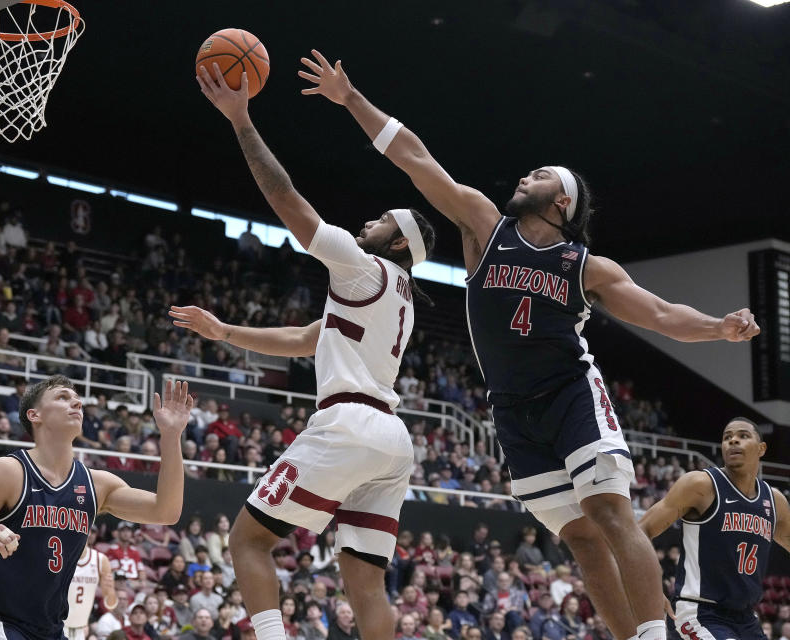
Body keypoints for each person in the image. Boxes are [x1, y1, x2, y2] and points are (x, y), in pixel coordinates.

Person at [297, 49, 762, 640]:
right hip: (513, 410)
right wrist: (350, 99)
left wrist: (719, 327)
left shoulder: (586, 265)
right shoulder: (484, 227)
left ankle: (653, 636)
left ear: (562, 201)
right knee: (584, 544)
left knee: (611, 515)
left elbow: (663, 314)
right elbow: (417, 160)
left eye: (540, 175)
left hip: (570, 394)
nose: (525, 176)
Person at [184, 63, 437, 640]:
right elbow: (306, 340)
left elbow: (285, 198)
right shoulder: (401, 299)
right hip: (394, 442)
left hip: (347, 423)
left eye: (381, 221)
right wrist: (226, 332)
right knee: (365, 581)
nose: (368, 222)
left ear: (399, 242)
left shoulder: (361, 267)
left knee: (248, 540)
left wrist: (241, 121)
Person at [0, 375, 194, 640]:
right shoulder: (10, 471)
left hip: (52, 629)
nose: (76, 403)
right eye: (62, 397)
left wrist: (171, 436)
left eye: (77, 400)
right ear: (34, 414)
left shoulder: (97, 484)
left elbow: (166, 512)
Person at [639, 418, 790, 640]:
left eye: (742, 436)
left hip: (746, 618)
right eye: (727, 437)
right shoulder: (701, 485)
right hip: (698, 612)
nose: (733, 441)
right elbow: (640, 530)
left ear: (761, 448)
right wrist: (650, 587)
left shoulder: (774, 501)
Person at [65, 543, 117, 640]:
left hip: (80, 628)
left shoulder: (100, 560)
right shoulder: (60, 555)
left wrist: (111, 590)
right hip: (58, 625)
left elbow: (110, 605)